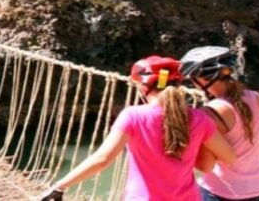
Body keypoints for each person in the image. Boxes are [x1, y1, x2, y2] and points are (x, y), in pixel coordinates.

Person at [41, 56, 236, 201]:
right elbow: (228, 157)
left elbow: (102, 159)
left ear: (143, 88)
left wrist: (59, 186)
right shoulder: (199, 118)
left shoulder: (133, 116)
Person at [180, 47, 259, 201]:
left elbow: (206, 165)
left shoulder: (209, 114)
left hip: (218, 193)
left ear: (202, 79)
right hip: (256, 193)